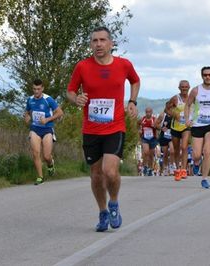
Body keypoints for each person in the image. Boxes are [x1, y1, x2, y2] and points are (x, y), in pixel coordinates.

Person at [67, 26, 140, 232]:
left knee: (110, 171)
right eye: (94, 41)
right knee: (96, 175)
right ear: (91, 44)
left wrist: (132, 101)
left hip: (115, 127)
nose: (98, 44)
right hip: (91, 129)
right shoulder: (82, 67)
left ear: (111, 43)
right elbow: (70, 91)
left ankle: (114, 203)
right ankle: (102, 211)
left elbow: (135, 80)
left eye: (102, 40)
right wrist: (76, 99)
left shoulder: (123, 65)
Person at [24, 79, 64, 185]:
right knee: (36, 153)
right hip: (35, 129)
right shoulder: (30, 100)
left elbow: (60, 113)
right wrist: (27, 117)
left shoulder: (48, 99)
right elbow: (27, 112)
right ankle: (40, 177)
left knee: (46, 156)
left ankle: (50, 164)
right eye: (34, 89)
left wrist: (47, 119)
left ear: (42, 89)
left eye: (38, 89)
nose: (36, 91)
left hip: (47, 129)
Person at [169, 80, 192, 179]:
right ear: (179, 88)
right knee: (176, 149)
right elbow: (167, 109)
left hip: (186, 126)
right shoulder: (175, 98)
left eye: (186, 87)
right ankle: (177, 169)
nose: (184, 88)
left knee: (184, 147)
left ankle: (183, 170)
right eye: (182, 87)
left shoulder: (192, 98)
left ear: (189, 87)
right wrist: (173, 113)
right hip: (175, 127)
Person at [155, 101, 175, 176]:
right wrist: (161, 128)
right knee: (165, 153)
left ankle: (172, 166)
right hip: (164, 136)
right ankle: (165, 167)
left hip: (172, 136)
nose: (170, 108)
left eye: (172, 107)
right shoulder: (162, 115)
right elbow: (155, 124)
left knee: (172, 151)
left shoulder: (175, 115)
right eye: (169, 107)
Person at [138, 107, 158, 176]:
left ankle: (150, 168)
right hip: (145, 138)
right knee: (146, 152)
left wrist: (155, 126)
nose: (148, 113)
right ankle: (145, 166)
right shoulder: (142, 119)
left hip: (152, 139)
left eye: (149, 112)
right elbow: (137, 124)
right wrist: (139, 130)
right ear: (145, 112)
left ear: (152, 112)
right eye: (147, 112)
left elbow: (158, 127)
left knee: (151, 155)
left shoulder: (154, 119)